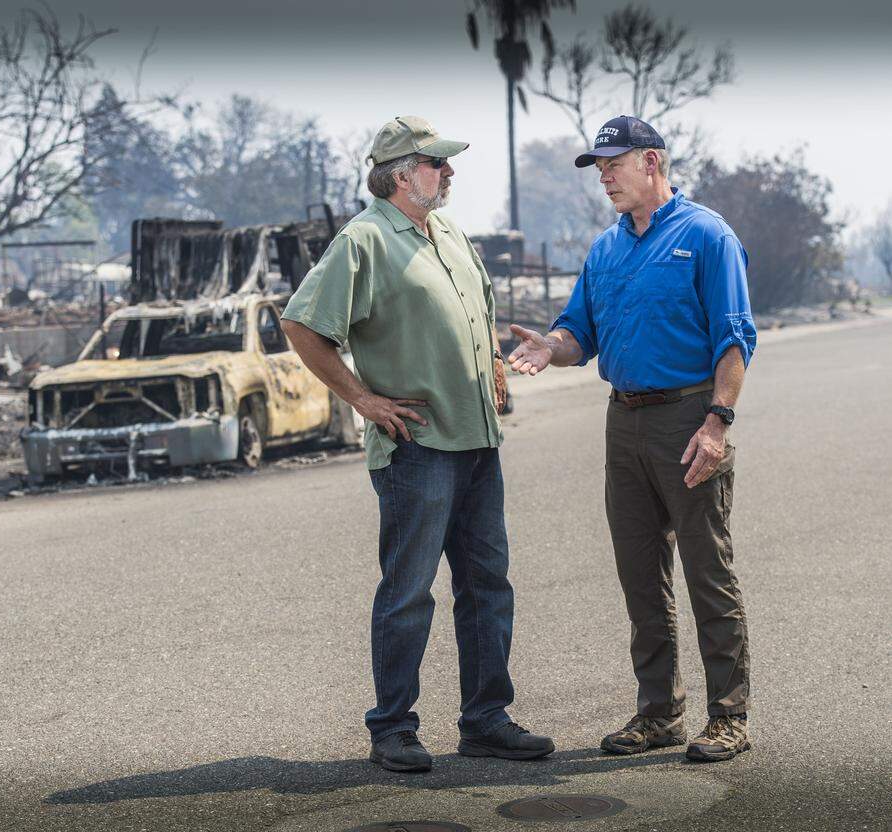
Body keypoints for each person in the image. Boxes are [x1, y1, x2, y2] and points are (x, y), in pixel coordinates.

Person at [280, 116, 554, 772]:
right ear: (401, 173)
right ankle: (392, 728)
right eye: (437, 163)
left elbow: (475, 308)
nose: (449, 172)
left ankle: (486, 719)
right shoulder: (364, 240)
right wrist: (363, 400)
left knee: (488, 584)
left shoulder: (450, 231)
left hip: (478, 441)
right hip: (419, 448)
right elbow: (302, 324)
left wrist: (490, 363)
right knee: (408, 591)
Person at [508, 115, 755, 763]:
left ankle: (728, 717)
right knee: (640, 577)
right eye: (598, 167)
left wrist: (717, 422)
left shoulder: (706, 236)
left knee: (707, 571)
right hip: (624, 423)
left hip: (688, 418)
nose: (604, 177)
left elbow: (736, 338)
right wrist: (550, 346)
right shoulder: (605, 251)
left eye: (613, 164)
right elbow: (577, 335)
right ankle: (658, 713)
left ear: (652, 162)